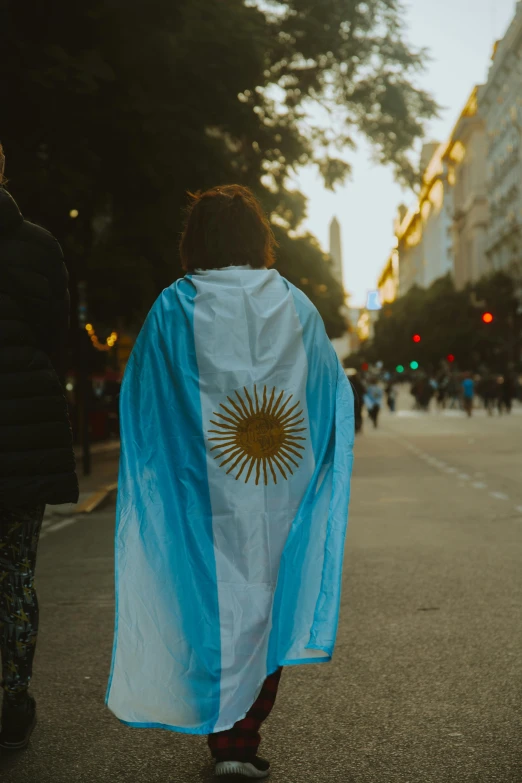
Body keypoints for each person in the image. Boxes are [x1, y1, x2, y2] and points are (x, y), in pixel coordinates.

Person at [105, 185, 355, 779]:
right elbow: (327, 393)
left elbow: (144, 403)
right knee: (267, 604)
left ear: (195, 242)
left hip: (198, 491)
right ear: (258, 239)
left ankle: (226, 738)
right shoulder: (297, 306)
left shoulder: (172, 307)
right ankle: (243, 736)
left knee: (210, 606)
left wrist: (160, 475)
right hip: (280, 490)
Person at [0, 144, 78, 750]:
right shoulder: (41, 245)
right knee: (16, 572)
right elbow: (58, 340)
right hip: (25, 428)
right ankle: (14, 698)